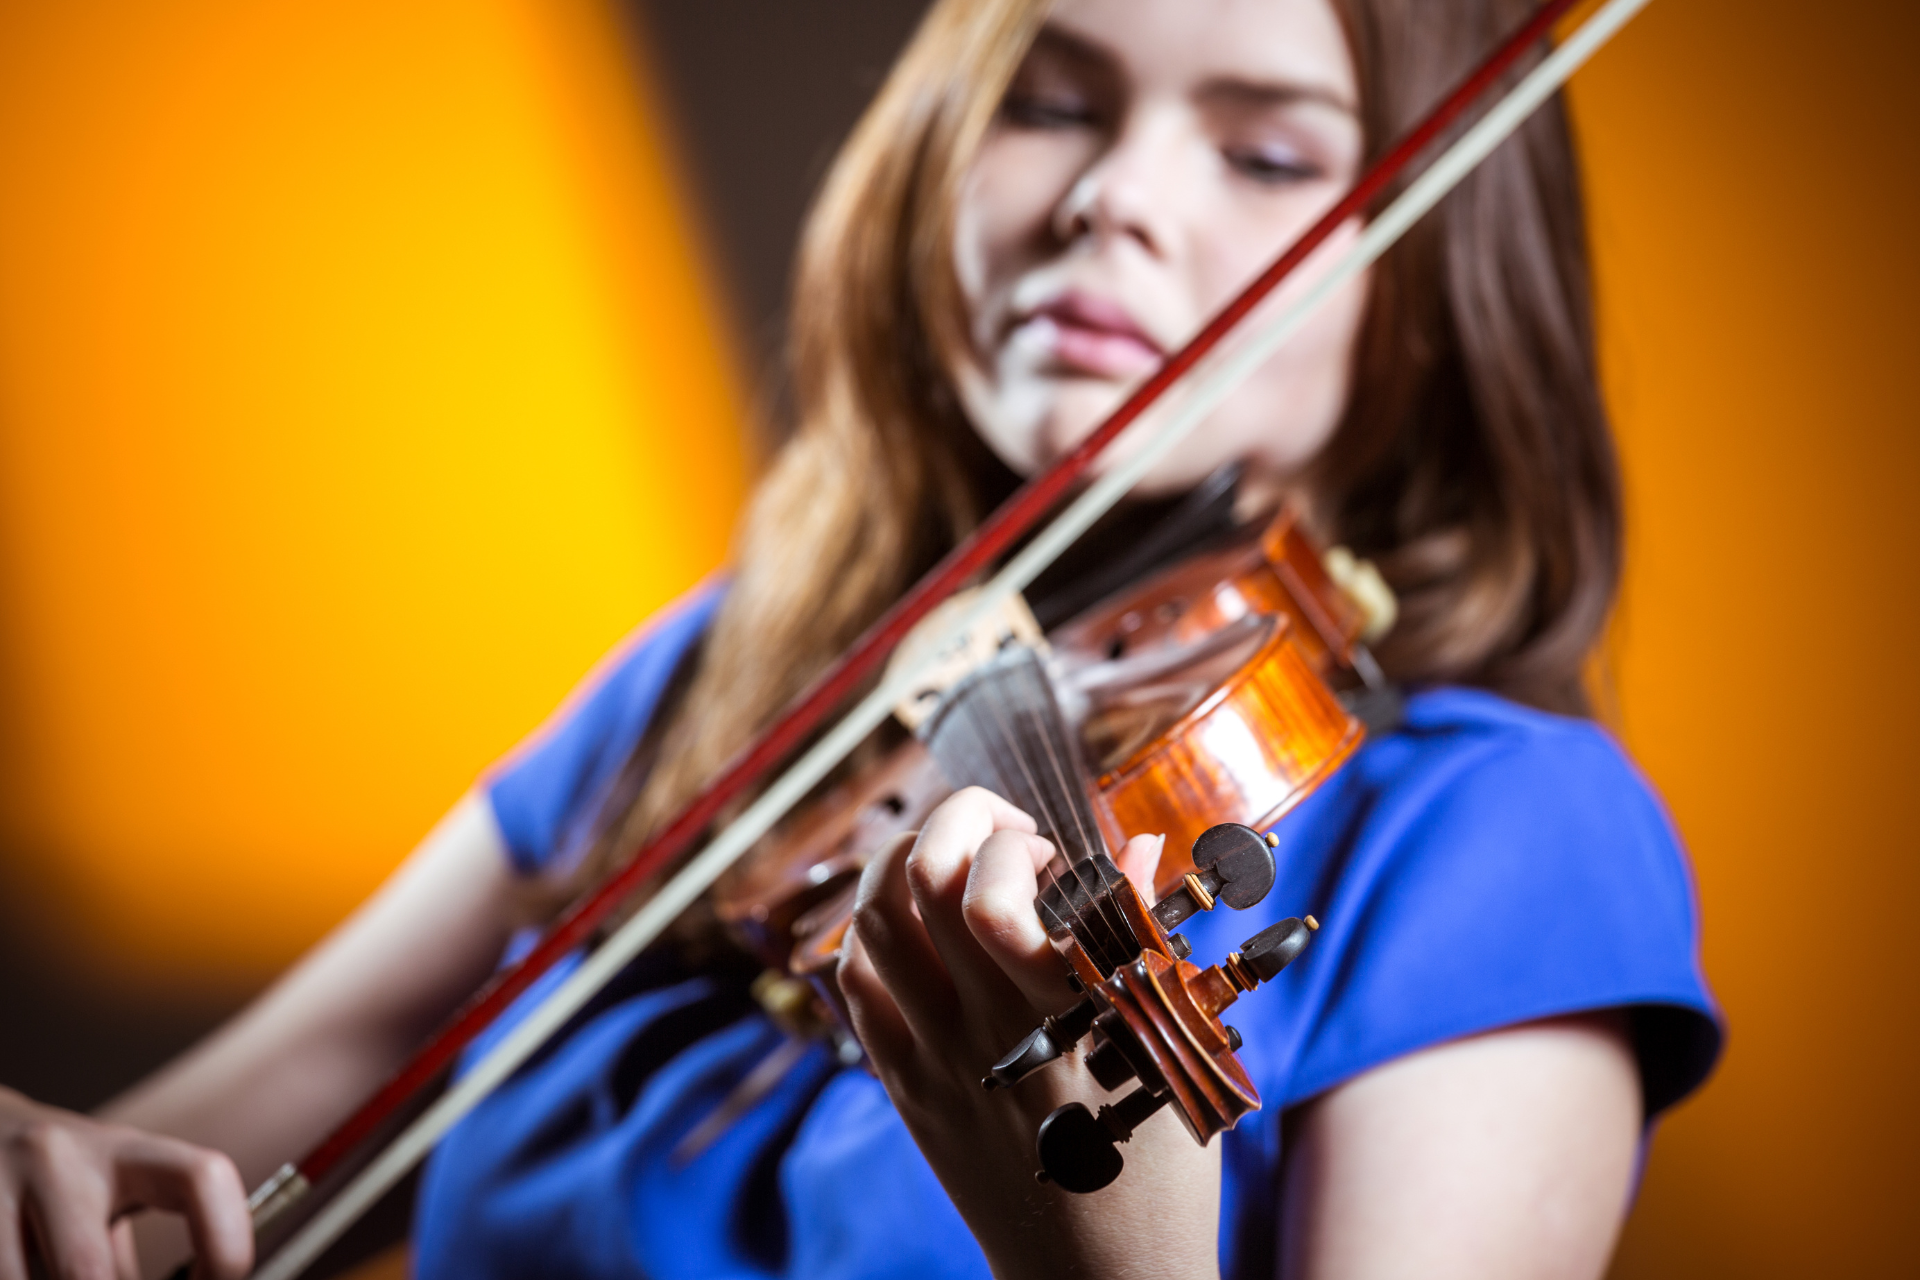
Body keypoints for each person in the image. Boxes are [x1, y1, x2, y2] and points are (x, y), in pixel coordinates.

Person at [0, 0, 1721, 1276]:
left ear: (1432, 284)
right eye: (1048, 105)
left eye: (1266, 152)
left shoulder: (1504, 839)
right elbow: (173, 1165)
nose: (1109, 197)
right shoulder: (745, 682)